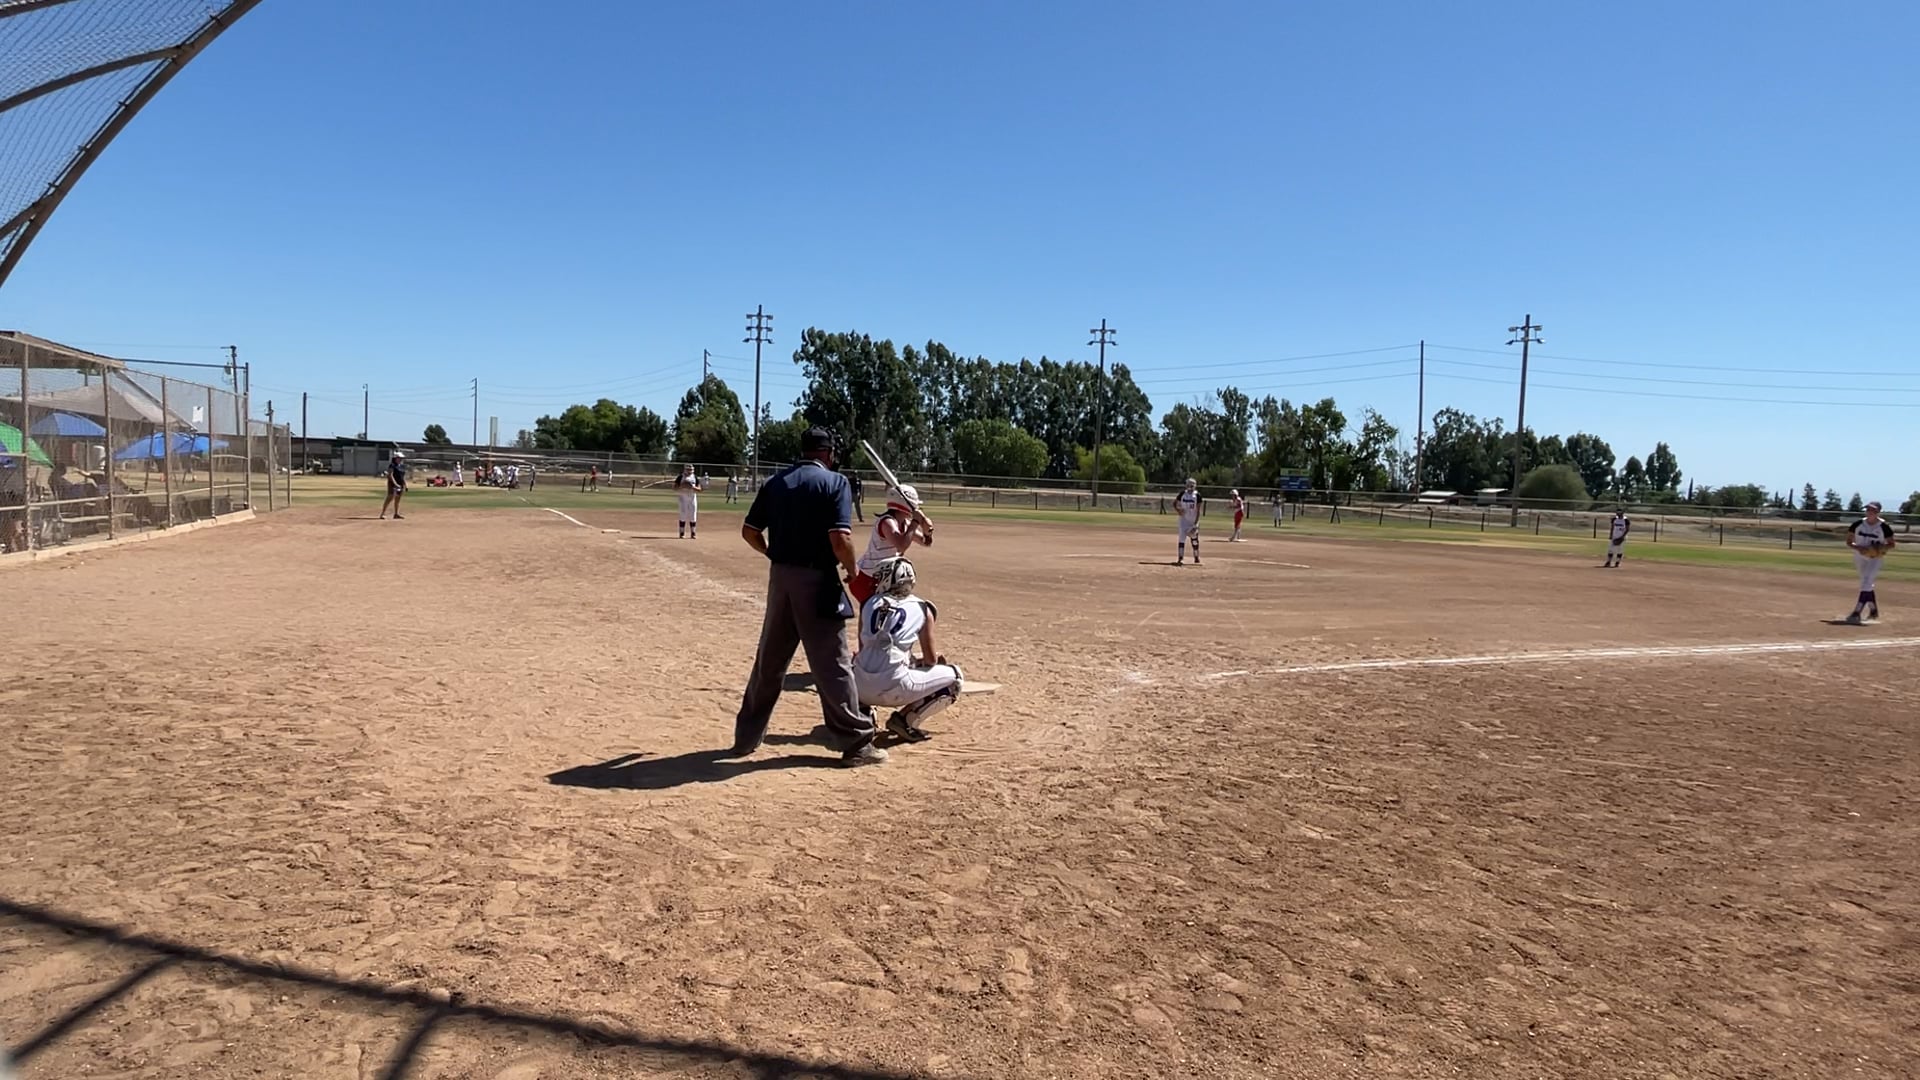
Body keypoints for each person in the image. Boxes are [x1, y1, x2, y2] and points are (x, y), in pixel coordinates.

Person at [731, 427, 884, 765]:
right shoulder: (835, 482)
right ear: (827, 453)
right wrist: (852, 570)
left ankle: (746, 738)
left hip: (780, 578)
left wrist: (771, 553)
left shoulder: (775, 482)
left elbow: (749, 531)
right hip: (817, 581)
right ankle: (856, 743)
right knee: (832, 663)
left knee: (770, 661)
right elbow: (840, 538)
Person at [855, 557, 963, 744]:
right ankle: (905, 720)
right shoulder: (922, 608)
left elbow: (863, 649)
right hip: (895, 687)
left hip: (860, 687)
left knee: (859, 663)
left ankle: (864, 715)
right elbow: (930, 660)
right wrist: (920, 661)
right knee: (955, 678)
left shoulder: (868, 604)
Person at [850, 483, 934, 604]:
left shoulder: (904, 523)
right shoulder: (887, 522)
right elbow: (901, 545)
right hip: (866, 579)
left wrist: (927, 533)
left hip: (883, 578)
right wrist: (915, 522)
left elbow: (925, 542)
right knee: (873, 611)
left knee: (884, 611)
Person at [1843, 500, 1896, 624]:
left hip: (1875, 558)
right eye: (1868, 509)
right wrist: (1858, 548)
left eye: (1872, 510)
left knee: (1866, 583)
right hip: (1860, 556)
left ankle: (1857, 612)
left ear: (1878, 512)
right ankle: (1873, 610)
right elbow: (1849, 542)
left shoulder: (1884, 526)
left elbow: (1892, 544)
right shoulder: (1857, 524)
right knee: (1866, 584)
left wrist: (1880, 548)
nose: (1869, 512)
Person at [1173, 477, 1201, 565]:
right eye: (1189, 485)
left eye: (1192, 485)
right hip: (1183, 521)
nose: (1190, 487)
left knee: (1194, 539)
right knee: (1182, 539)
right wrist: (1178, 510)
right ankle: (1180, 558)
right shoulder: (1182, 494)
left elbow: (1198, 511)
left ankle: (1196, 556)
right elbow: (1174, 503)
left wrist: (1196, 524)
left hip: (1193, 521)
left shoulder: (1197, 496)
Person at [674, 464, 703, 539]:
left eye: (691, 470)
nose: (690, 471)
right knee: (683, 514)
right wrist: (682, 486)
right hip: (683, 498)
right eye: (688, 470)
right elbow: (675, 488)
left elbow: (699, 489)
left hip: (692, 498)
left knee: (693, 515)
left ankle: (693, 533)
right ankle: (682, 533)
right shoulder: (680, 477)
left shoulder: (695, 477)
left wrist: (692, 487)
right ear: (685, 470)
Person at [379, 450, 408, 520]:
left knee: (398, 499)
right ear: (395, 458)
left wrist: (405, 485)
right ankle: (382, 514)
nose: (400, 459)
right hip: (392, 484)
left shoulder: (402, 466)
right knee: (389, 498)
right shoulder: (392, 465)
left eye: (401, 458)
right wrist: (395, 484)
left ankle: (396, 514)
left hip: (400, 484)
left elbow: (403, 477)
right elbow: (390, 475)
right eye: (399, 458)